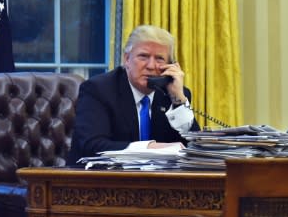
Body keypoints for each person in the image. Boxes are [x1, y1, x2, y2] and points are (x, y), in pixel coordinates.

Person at [67, 24, 200, 165]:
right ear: (127, 59)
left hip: (160, 182)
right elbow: (93, 146)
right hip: (101, 180)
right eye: (143, 56)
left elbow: (196, 148)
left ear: (171, 66)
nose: (151, 65)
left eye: (159, 59)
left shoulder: (174, 94)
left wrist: (178, 100)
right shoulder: (98, 90)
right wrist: (149, 148)